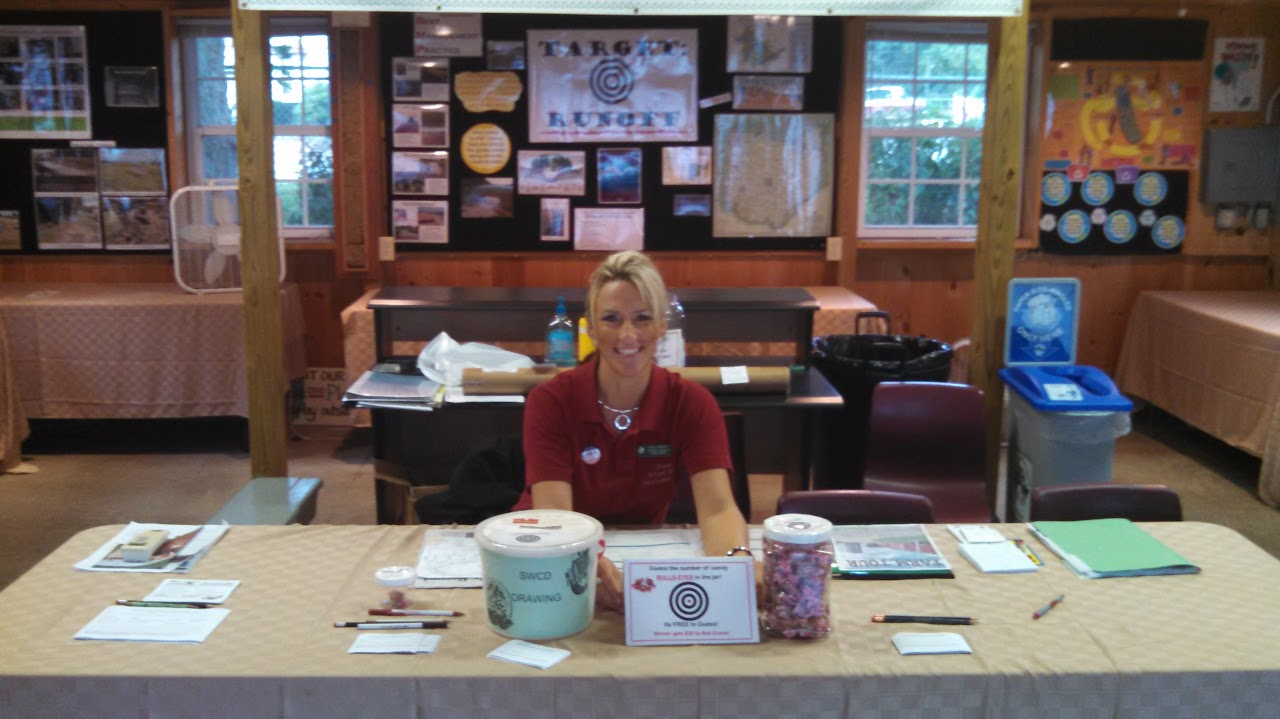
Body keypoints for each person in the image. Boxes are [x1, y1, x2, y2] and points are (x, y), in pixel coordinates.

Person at [511, 250, 750, 612]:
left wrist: (738, 564)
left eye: (642, 318)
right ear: (590, 327)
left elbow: (718, 510)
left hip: (644, 547)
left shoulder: (692, 402)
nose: (627, 335)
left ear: (660, 327)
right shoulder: (551, 401)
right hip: (550, 547)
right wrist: (587, 565)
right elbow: (556, 517)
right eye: (611, 319)